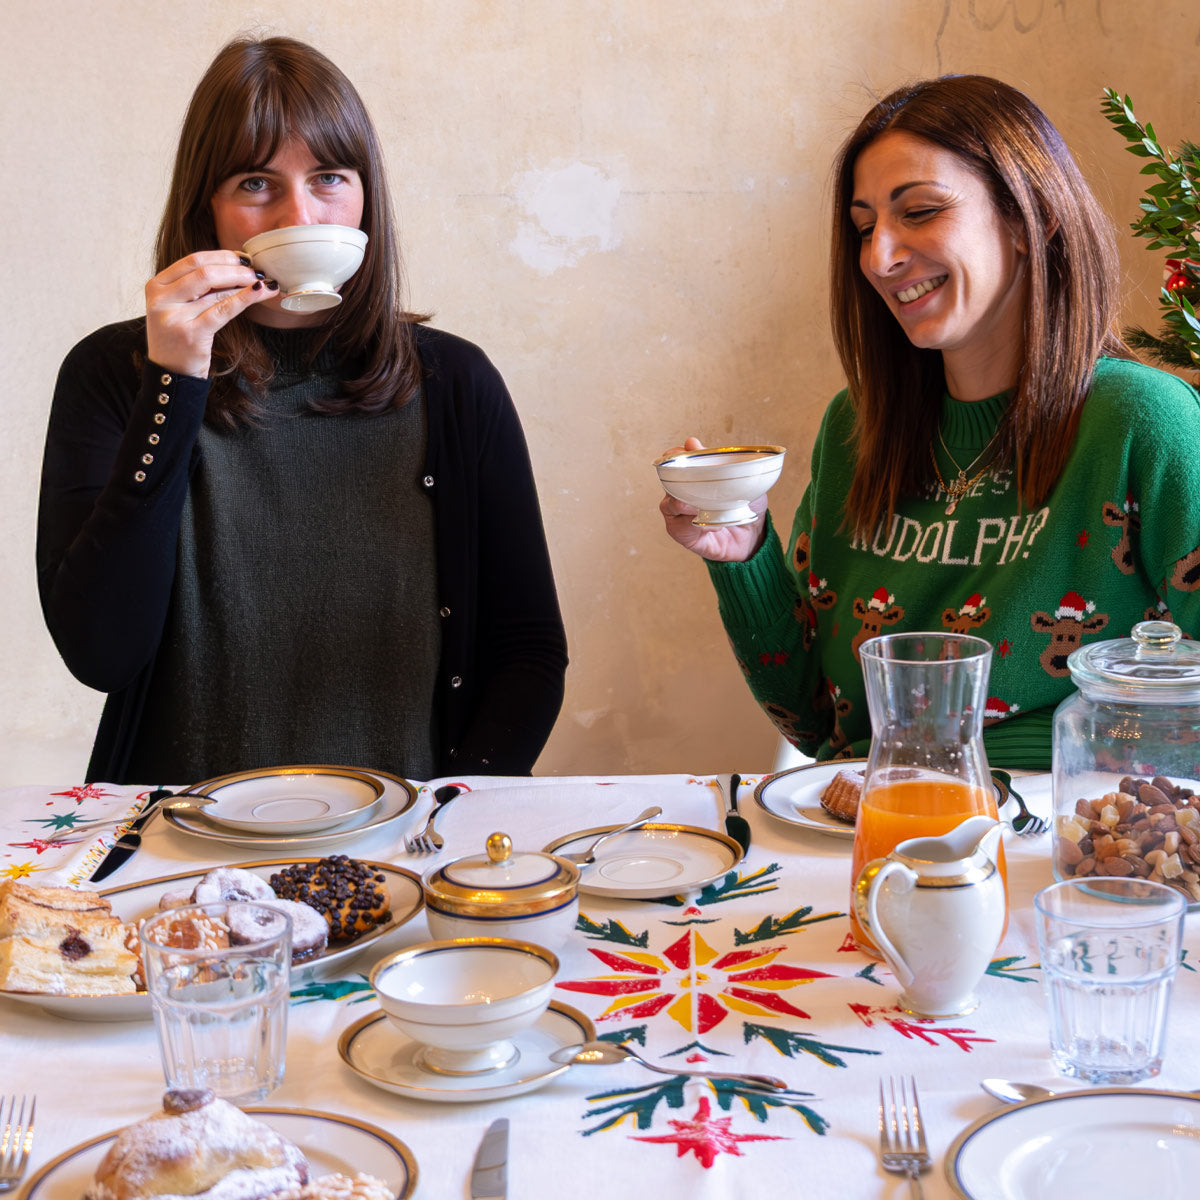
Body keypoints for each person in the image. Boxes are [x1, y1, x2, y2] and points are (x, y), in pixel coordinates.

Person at [38, 36, 567, 785]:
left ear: (365, 198)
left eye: (328, 178)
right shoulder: (115, 374)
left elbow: (529, 651)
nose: (301, 212)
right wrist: (174, 384)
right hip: (182, 847)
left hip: (399, 846)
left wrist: (451, 809)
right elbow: (101, 652)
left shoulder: (454, 382)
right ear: (207, 210)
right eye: (257, 184)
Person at [661, 75, 1200, 770]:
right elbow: (818, 723)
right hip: (874, 836)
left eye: (918, 211)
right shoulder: (857, 427)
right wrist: (746, 555)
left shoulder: (1140, 421)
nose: (879, 257)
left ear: (1030, 218)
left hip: (1059, 841)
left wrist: (991, 775)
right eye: (864, 228)